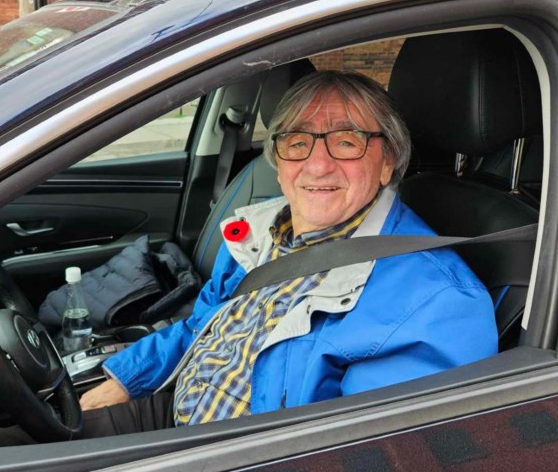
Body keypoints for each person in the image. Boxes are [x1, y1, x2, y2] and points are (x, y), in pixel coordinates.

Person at [78, 70, 497, 436]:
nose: (317, 165)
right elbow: (202, 327)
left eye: (347, 142)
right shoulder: (256, 232)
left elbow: (357, 465)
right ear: (277, 162)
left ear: (388, 161)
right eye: (298, 142)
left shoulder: (438, 306)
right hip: (173, 407)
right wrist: (127, 378)